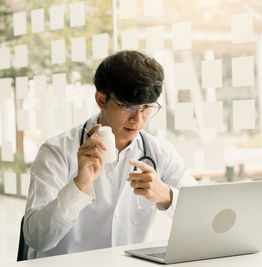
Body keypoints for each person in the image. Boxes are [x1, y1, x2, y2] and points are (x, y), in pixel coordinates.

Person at [23, 50, 197, 259]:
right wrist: (78, 185)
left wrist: (166, 195)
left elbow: (203, 215)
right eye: (129, 107)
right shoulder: (56, 152)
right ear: (101, 99)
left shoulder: (160, 153)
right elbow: (36, 238)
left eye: (147, 108)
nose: (138, 119)